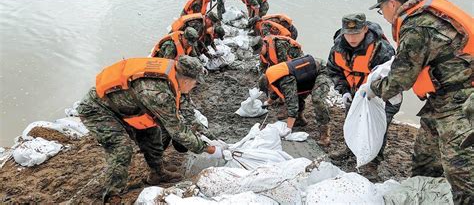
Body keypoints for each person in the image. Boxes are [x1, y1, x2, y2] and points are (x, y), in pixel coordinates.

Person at [363, 0, 473, 203]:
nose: (382, 15)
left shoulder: (416, 27)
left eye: (381, 8)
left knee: (461, 171)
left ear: (392, 4)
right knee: (425, 158)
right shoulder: (424, 16)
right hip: (441, 99)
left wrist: (372, 88)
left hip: (461, 101)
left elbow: (400, 79)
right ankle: (423, 196)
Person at [77, 56, 225, 203]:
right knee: (121, 148)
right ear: (186, 80)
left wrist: (212, 138)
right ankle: (112, 196)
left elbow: (188, 114)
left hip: (126, 107)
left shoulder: (176, 79)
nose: (195, 86)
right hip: (98, 109)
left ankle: (157, 174)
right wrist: (209, 149)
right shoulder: (158, 93)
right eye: (195, 83)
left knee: (153, 133)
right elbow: (177, 130)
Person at [327, 13, 400, 178]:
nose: (352, 38)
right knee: (352, 121)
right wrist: (344, 90)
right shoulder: (338, 47)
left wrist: (375, 92)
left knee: (376, 128)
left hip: (382, 96)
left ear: (365, 29)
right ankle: (351, 151)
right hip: (354, 94)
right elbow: (334, 70)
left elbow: (393, 78)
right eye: (348, 34)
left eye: (356, 34)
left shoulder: (381, 50)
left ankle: (372, 163)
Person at [259, 55, 332, 146]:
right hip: (307, 74)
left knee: (317, 100)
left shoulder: (284, 80)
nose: (270, 91)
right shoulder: (273, 77)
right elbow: (276, 92)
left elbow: (292, 104)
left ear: (269, 84)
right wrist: (267, 103)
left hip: (322, 70)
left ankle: (325, 136)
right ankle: (300, 120)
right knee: (297, 93)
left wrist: (288, 129)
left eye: (268, 89)